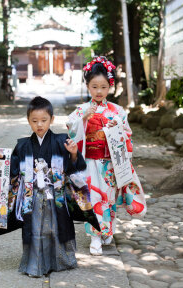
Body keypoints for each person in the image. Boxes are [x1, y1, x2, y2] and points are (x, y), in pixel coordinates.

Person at [0, 96, 99, 277]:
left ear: (52, 119)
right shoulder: (23, 145)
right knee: (35, 229)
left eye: (44, 120)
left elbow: (75, 168)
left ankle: (61, 261)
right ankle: (35, 265)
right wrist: (1, 160)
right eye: (34, 121)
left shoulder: (61, 141)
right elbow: (12, 169)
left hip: (55, 194)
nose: (39, 125)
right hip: (32, 195)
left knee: (56, 228)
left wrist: (74, 154)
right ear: (28, 121)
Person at [66, 56, 147, 256]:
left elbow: (127, 135)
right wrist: (83, 119)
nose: (99, 91)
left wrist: (117, 127)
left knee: (108, 199)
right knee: (93, 198)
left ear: (110, 86)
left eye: (103, 87)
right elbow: (70, 130)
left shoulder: (117, 111)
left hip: (110, 163)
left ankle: (107, 230)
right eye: (94, 87)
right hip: (89, 162)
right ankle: (95, 237)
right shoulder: (81, 110)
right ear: (88, 87)